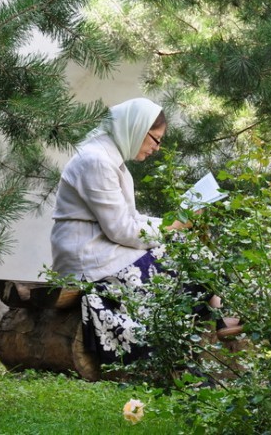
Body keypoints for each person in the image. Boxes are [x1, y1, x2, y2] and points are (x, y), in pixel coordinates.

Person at [50, 97, 241, 365]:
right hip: (90, 259)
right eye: (156, 139)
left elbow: (130, 219)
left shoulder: (109, 159)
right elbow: (122, 229)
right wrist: (174, 224)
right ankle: (220, 316)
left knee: (182, 246)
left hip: (104, 250)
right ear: (137, 128)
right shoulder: (96, 161)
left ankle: (219, 316)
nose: (157, 148)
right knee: (184, 253)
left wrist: (174, 221)